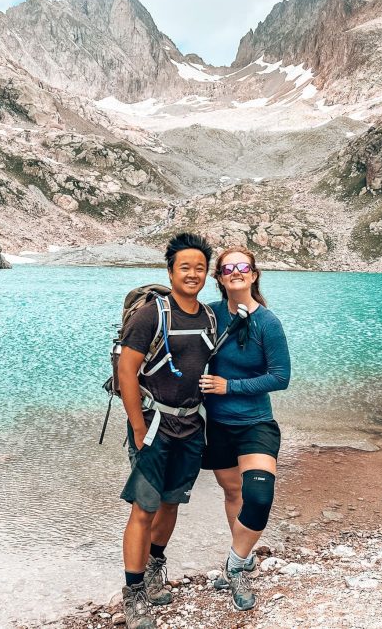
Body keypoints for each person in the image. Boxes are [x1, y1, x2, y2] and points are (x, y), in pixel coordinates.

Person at [117, 232, 217, 629]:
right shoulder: (152, 315)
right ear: (171, 271)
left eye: (199, 268)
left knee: (172, 502)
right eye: (185, 267)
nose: (193, 274)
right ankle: (134, 592)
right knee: (144, 508)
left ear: (207, 273)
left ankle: (156, 568)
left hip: (192, 423)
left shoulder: (208, 316)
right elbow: (127, 371)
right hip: (155, 424)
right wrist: (139, 428)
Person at [198, 245, 291, 611]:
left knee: (258, 497)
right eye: (227, 268)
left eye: (242, 266)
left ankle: (234, 564)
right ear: (219, 278)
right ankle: (242, 559)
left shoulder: (268, 322)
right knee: (233, 493)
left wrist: (228, 386)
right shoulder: (210, 315)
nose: (235, 272)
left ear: (253, 274)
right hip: (217, 425)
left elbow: (280, 377)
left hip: (255, 424)